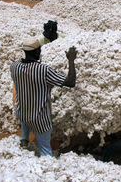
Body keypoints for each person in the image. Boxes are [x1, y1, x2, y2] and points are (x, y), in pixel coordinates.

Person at [10, 29, 77, 157]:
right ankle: (47, 166)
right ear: (37, 51)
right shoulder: (43, 70)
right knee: (45, 149)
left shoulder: (14, 67)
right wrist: (71, 60)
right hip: (39, 119)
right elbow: (70, 82)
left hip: (22, 113)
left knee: (25, 114)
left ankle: (24, 140)